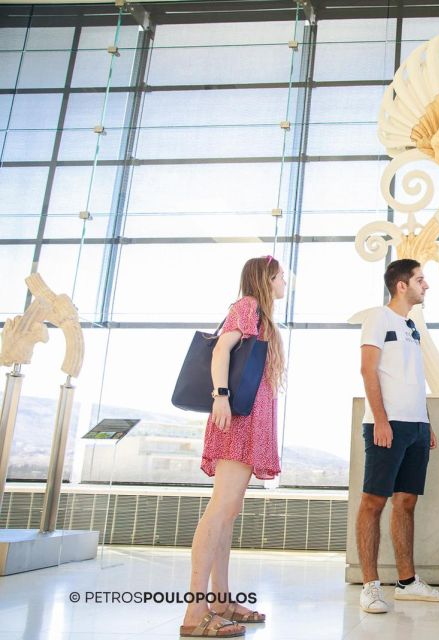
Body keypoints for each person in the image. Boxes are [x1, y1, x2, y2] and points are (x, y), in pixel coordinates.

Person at [180, 255, 286, 638]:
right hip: (236, 421)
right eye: (280, 277)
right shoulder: (248, 306)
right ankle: (195, 612)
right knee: (221, 508)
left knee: (229, 510)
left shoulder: (261, 315)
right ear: (267, 279)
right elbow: (222, 349)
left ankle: (221, 601)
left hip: (247, 421)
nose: (285, 282)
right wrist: (221, 395)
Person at [355, 258, 439, 614]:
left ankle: (407, 583)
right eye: (420, 280)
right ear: (401, 285)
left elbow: (413, 378)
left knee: (406, 502)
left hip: (416, 428)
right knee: (373, 503)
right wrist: (380, 420)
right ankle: (370, 586)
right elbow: (367, 370)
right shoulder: (378, 318)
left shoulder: (411, 326)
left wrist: (427, 422)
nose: (426, 286)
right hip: (387, 424)